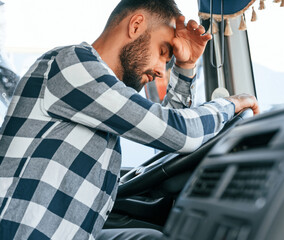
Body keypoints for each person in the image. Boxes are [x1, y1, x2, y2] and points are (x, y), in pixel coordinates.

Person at [0, 0, 259, 239]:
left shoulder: (101, 98)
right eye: (162, 51)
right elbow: (177, 132)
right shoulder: (70, 64)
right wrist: (232, 103)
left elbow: (164, 130)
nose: (160, 71)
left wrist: (187, 65)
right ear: (136, 26)